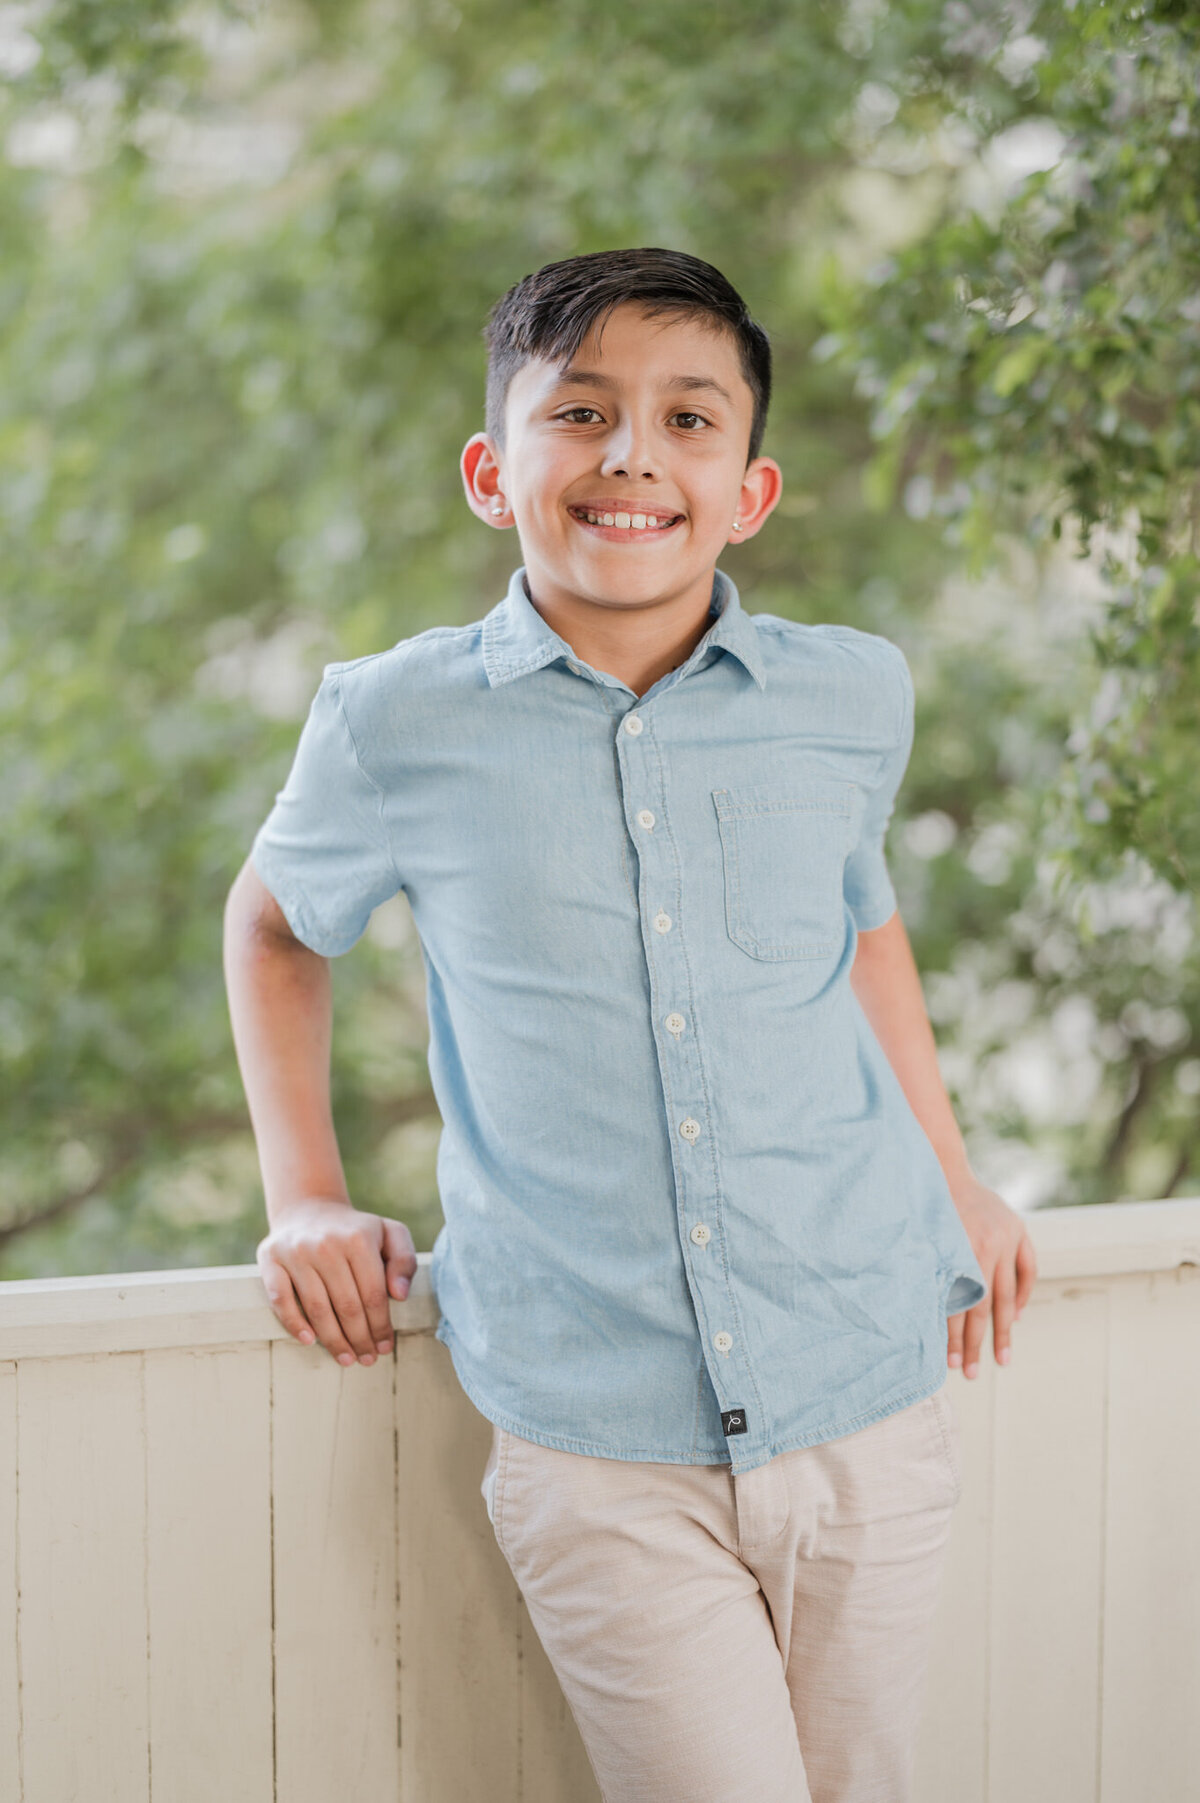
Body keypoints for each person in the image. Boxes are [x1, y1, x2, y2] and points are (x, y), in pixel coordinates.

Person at [224, 247, 1038, 1802]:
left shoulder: (852, 694)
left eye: (687, 420)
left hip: (867, 1377)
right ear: (493, 469)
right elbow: (272, 925)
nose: (631, 457)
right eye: (581, 412)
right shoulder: (394, 720)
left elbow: (863, 933)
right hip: (596, 1433)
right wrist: (304, 1193)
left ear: (749, 488)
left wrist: (956, 1172)